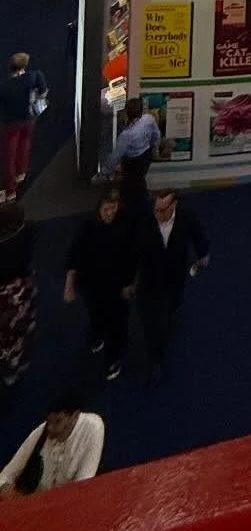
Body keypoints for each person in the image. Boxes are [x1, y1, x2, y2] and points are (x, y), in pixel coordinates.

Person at [133, 189, 209, 377]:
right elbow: (131, 250)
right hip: (149, 279)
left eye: (162, 210)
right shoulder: (145, 221)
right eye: (155, 209)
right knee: (153, 323)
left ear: (174, 205)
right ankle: (155, 359)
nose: (158, 214)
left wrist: (203, 254)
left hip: (175, 275)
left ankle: (172, 312)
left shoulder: (186, 218)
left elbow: (198, 236)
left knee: (173, 305)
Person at [64, 191, 136, 380]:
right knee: (96, 315)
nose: (110, 212)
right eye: (106, 208)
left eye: (114, 208)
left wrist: (131, 283)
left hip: (117, 287)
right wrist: (69, 284)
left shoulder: (127, 227)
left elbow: (134, 258)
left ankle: (115, 357)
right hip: (92, 285)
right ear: (99, 207)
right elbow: (74, 254)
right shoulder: (88, 226)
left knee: (117, 324)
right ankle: (97, 335)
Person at [0, 395, 104, 495]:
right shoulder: (42, 431)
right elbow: (6, 475)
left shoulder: (93, 427)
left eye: (58, 421)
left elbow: (83, 486)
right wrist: (7, 491)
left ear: (75, 416)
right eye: (49, 421)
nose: (50, 428)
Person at [0, 52, 46, 202]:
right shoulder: (34, 76)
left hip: (11, 123)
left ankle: (11, 190)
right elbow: (43, 88)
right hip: (29, 118)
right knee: (24, 144)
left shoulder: (5, 86)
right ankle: (21, 173)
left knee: (9, 156)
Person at [0, 202, 37, 386]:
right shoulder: (29, 232)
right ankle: (16, 362)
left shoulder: (4, 246)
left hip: (7, 297)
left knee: (7, 338)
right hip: (22, 288)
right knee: (19, 328)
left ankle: (11, 368)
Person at [106, 96, 162, 208]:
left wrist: (105, 171)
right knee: (139, 180)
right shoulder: (149, 119)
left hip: (133, 162)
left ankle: (139, 206)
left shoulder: (126, 135)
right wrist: (155, 148)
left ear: (127, 113)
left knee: (132, 184)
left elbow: (116, 156)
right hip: (146, 155)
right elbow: (156, 135)